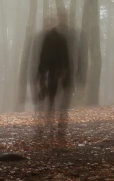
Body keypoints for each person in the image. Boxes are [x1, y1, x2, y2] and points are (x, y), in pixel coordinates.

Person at [30, 10, 79, 140]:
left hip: (59, 73)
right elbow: (42, 56)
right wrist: (40, 74)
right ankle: (49, 124)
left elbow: (67, 57)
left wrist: (67, 72)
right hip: (51, 73)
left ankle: (57, 126)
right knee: (50, 99)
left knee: (60, 101)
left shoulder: (63, 37)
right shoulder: (46, 37)